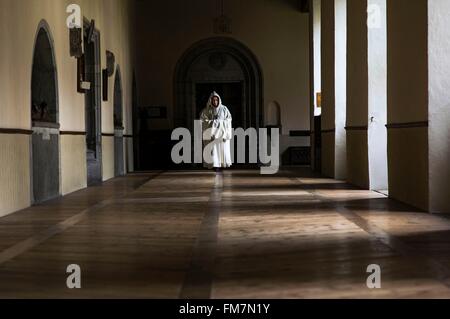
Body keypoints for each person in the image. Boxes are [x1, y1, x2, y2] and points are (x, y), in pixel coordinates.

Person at [200, 92, 233, 172]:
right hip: (212, 135)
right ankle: (215, 165)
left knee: (221, 150)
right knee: (213, 150)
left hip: (221, 134)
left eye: (216, 100)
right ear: (210, 101)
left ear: (219, 100)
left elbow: (229, 120)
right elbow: (203, 121)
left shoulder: (224, 109)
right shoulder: (206, 110)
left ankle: (221, 164)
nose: (215, 102)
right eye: (213, 100)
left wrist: (220, 123)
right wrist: (213, 123)